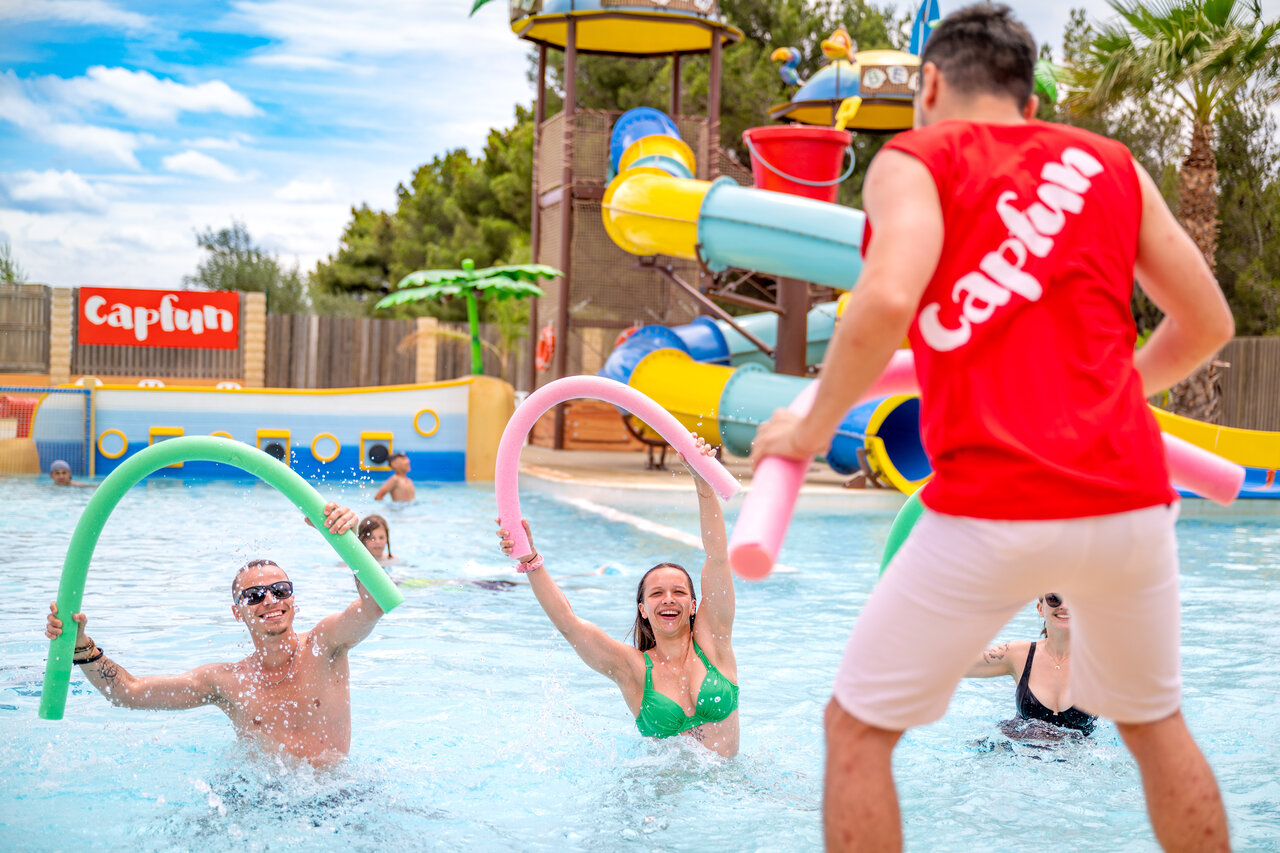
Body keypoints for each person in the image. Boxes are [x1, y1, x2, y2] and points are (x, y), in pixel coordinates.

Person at [750, 5, 1233, 850]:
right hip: (1127, 500)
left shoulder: (915, 158)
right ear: (1029, 103)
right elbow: (1205, 323)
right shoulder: (1109, 163)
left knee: (856, 730)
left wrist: (805, 424)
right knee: (1155, 728)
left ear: (929, 86)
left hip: (992, 502)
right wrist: (1111, 393)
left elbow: (889, 298)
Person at [44, 502, 385, 768]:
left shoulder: (325, 644)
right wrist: (80, 645)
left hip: (335, 793)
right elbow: (129, 693)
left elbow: (374, 606)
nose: (269, 600)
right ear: (238, 611)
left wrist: (350, 542)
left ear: (293, 598)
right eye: (253, 595)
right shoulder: (227, 681)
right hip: (261, 800)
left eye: (280, 590)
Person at [496, 438, 739, 756]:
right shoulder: (633, 669)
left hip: (729, 797)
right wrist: (530, 561)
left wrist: (702, 482)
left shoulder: (714, 642)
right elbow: (569, 624)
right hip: (663, 799)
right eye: (657, 593)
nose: (668, 599)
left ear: (694, 605)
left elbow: (717, 557)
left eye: (679, 592)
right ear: (643, 608)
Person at [965, 592, 1096, 738]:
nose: (1064, 606)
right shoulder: (1018, 655)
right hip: (1016, 751)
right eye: (1054, 599)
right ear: (1040, 609)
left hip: (1077, 758)